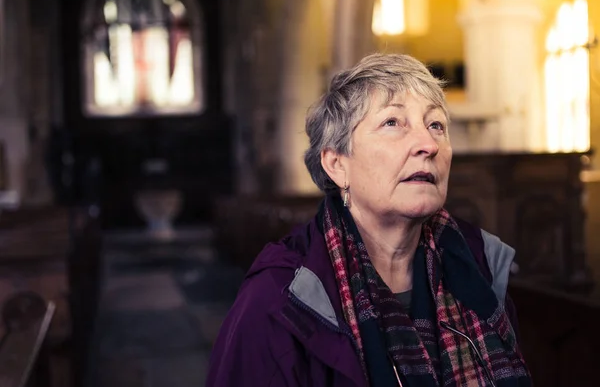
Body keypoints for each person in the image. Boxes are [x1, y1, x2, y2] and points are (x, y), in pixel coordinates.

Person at [207, 53, 531, 386]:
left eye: (436, 125)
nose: (428, 144)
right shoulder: (279, 298)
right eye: (393, 122)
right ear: (337, 164)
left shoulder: (479, 265)